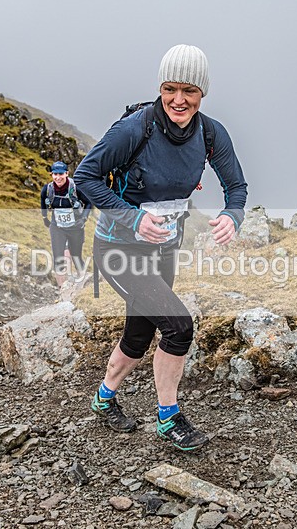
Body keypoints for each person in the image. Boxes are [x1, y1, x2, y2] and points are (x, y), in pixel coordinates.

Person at [74, 44, 247, 451]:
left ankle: (103, 398)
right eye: (170, 88)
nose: (178, 99)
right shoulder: (135, 129)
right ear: (160, 87)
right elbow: (85, 177)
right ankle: (169, 418)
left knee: (140, 332)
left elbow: (236, 187)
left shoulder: (211, 133)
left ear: (202, 92)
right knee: (178, 326)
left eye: (189, 90)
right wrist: (133, 218)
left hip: (164, 251)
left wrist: (231, 216)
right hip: (118, 250)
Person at [40, 160, 91, 286]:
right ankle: (62, 290)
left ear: (67, 173)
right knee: (58, 258)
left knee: (76, 256)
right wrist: (45, 218)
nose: (58, 177)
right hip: (57, 227)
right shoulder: (47, 189)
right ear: (52, 175)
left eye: (61, 174)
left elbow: (88, 202)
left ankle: (83, 284)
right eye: (55, 174)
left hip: (75, 227)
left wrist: (84, 218)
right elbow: (43, 202)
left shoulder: (75, 188)